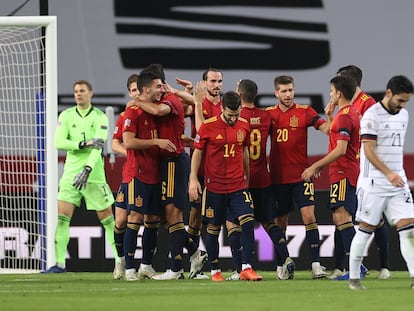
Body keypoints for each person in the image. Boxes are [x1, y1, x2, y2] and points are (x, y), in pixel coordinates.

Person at [135, 64, 207, 280]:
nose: (159, 89)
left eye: (160, 85)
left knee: (174, 213)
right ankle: (195, 252)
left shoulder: (169, 101)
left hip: (175, 160)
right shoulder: (159, 101)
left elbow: (159, 111)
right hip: (163, 164)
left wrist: (135, 101)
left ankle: (176, 268)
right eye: (156, 86)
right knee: (162, 216)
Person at [42, 80, 117, 273]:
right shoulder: (66, 115)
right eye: (75, 91)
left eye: (82, 91)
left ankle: (120, 261)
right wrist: (82, 144)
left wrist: (88, 169)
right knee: (62, 218)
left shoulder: (100, 117)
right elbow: (59, 141)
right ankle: (59, 264)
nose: (78, 94)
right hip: (70, 174)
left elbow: (98, 147)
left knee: (108, 219)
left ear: (90, 93)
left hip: (94, 175)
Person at [348, 75, 414, 290]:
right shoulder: (371, 116)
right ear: (388, 93)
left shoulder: (403, 115)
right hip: (373, 183)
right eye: (400, 100)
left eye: (406, 101)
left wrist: (397, 175)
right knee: (365, 230)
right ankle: (354, 279)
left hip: (397, 182)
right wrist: (388, 173)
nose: (403, 105)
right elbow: (368, 150)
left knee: (409, 229)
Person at [189, 90, 262, 282]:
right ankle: (215, 270)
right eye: (230, 115)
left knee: (247, 221)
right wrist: (193, 178)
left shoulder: (244, 125)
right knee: (213, 228)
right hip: (215, 187)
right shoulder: (208, 126)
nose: (233, 118)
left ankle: (246, 267)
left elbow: (244, 150)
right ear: (222, 108)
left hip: (238, 185)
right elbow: (197, 153)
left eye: (236, 114)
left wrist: (246, 174)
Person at [267, 75, 329, 279]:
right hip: (277, 179)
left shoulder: (305, 112)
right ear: (276, 93)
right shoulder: (268, 115)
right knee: (280, 223)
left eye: (290, 90)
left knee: (310, 218)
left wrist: (332, 117)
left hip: (302, 176)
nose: (288, 94)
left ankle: (316, 265)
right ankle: (281, 266)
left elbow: (328, 130)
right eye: (283, 91)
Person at [334, 65, 390, 280]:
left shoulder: (368, 103)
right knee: (342, 213)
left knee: (375, 215)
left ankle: (385, 266)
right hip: (351, 167)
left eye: (339, 80)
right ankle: (341, 265)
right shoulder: (345, 106)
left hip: (366, 167)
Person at [302, 76, 360, 281]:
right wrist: (329, 116)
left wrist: (316, 166)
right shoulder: (346, 113)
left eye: (331, 91)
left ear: (339, 94)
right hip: (341, 172)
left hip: (344, 172)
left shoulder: (345, 116)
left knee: (343, 217)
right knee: (340, 218)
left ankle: (357, 268)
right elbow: (337, 139)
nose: (330, 94)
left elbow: (341, 149)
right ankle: (355, 267)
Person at [121, 70, 177, 281]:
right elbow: (128, 142)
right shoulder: (133, 112)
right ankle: (128, 269)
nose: (160, 90)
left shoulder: (154, 111)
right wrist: (156, 142)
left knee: (153, 220)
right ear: (146, 89)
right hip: (139, 174)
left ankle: (146, 265)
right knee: (134, 218)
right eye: (157, 87)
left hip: (156, 174)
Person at [237, 79, 294, 280]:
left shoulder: (236, 116)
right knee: (269, 222)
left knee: (240, 224)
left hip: (242, 179)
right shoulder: (266, 116)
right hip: (263, 177)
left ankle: (243, 267)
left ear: (239, 94)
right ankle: (285, 257)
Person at [112, 74, 139, 280]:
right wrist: (129, 151)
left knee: (145, 220)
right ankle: (120, 260)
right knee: (120, 221)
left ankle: (143, 264)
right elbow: (114, 144)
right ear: (130, 92)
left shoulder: (154, 113)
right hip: (129, 175)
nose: (137, 93)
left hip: (148, 175)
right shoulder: (125, 116)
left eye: (140, 89)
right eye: (134, 90)